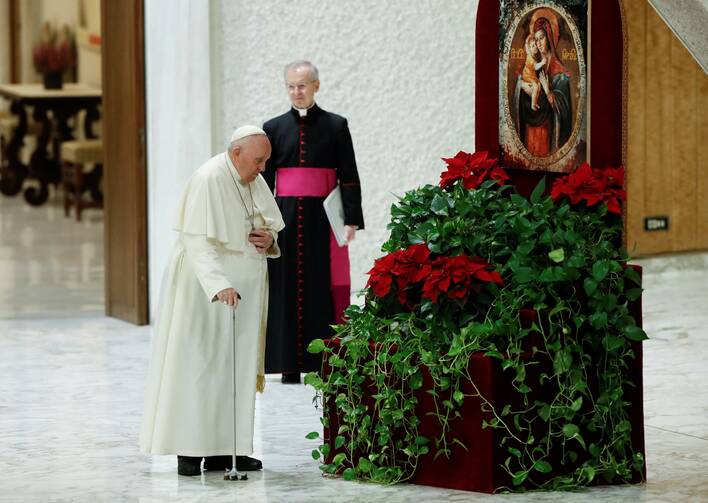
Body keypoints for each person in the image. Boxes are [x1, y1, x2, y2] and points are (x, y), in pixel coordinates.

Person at [139, 126, 285, 476]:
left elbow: (269, 224)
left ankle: (226, 449)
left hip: (244, 292)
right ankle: (190, 450)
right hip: (205, 291)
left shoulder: (251, 178)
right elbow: (196, 241)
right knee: (199, 366)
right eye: (257, 160)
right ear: (236, 154)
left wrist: (269, 239)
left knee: (233, 368)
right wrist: (219, 284)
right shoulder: (208, 178)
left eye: (265, 160)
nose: (262, 168)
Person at [262, 60, 364, 383]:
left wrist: (351, 220)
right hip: (285, 220)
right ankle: (288, 364)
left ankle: (324, 361)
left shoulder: (336, 126)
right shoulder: (273, 128)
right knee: (285, 288)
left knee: (322, 287)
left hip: (323, 223)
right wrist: (262, 222)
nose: (297, 92)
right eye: (291, 86)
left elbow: (349, 177)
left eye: (303, 86)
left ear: (316, 86)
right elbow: (265, 181)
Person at [515, 13, 573, 157]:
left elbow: (565, 111)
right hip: (530, 127)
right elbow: (522, 84)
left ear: (550, 38)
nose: (538, 43)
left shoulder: (560, 71)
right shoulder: (533, 63)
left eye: (541, 38)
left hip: (548, 128)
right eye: (536, 39)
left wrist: (548, 92)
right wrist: (521, 86)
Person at [519, 33, 547, 112]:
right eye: (533, 46)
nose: (535, 47)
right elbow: (535, 67)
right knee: (535, 86)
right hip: (528, 76)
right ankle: (533, 104)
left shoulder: (534, 56)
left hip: (532, 75)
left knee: (538, 86)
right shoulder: (530, 58)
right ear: (529, 49)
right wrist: (542, 63)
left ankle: (535, 101)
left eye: (535, 44)